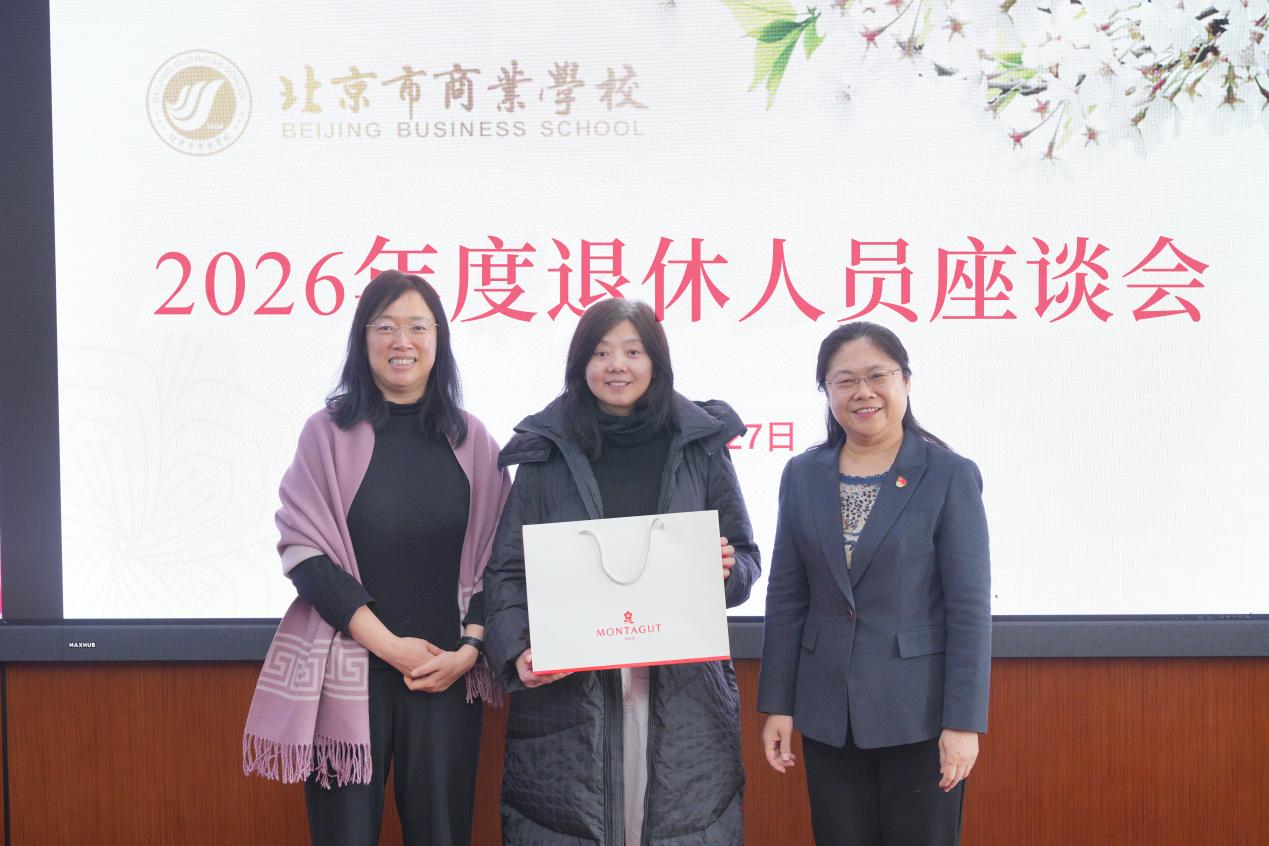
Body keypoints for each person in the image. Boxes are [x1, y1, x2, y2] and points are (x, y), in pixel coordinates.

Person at [242, 270, 510, 846]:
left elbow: (500, 559)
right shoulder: (326, 433)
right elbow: (305, 554)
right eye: (385, 326)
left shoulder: (472, 440)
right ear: (362, 339)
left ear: (439, 340)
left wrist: (470, 650)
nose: (401, 341)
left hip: (446, 675)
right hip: (348, 673)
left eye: (418, 327)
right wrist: (390, 646)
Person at [483, 298, 759, 845]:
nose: (617, 366)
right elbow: (507, 570)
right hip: (571, 697)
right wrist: (516, 651)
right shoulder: (545, 453)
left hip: (683, 695)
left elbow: (746, 559)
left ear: (656, 361)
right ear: (581, 364)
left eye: (633, 352)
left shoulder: (701, 446)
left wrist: (727, 571)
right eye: (602, 352)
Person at [757, 322, 991, 846]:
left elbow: (969, 610)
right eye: (844, 381)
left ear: (904, 381)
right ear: (827, 392)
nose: (862, 392)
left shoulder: (948, 474)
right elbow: (788, 597)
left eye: (877, 376)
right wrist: (778, 703)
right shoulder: (802, 474)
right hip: (828, 715)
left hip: (920, 717)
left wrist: (963, 722)